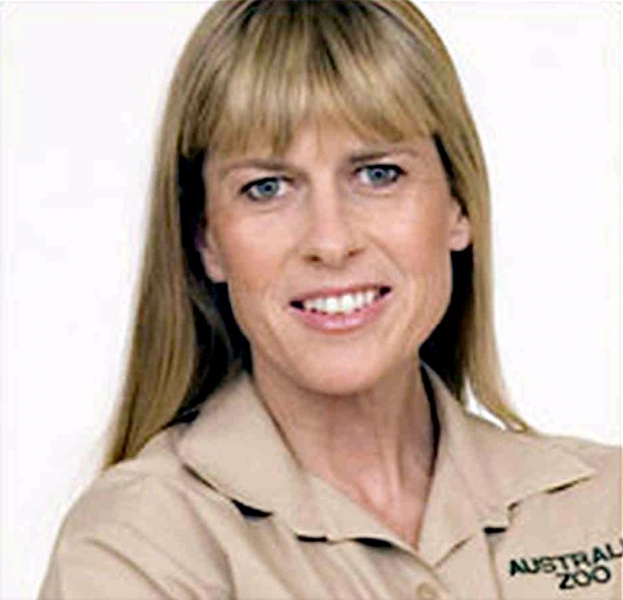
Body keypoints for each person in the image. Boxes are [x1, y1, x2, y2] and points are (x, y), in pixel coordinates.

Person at [39, 1, 621, 598]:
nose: (330, 241)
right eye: (267, 188)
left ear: (458, 204)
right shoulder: (137, 546)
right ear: (206, 240)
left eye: (378, 174)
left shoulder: (607, 504)